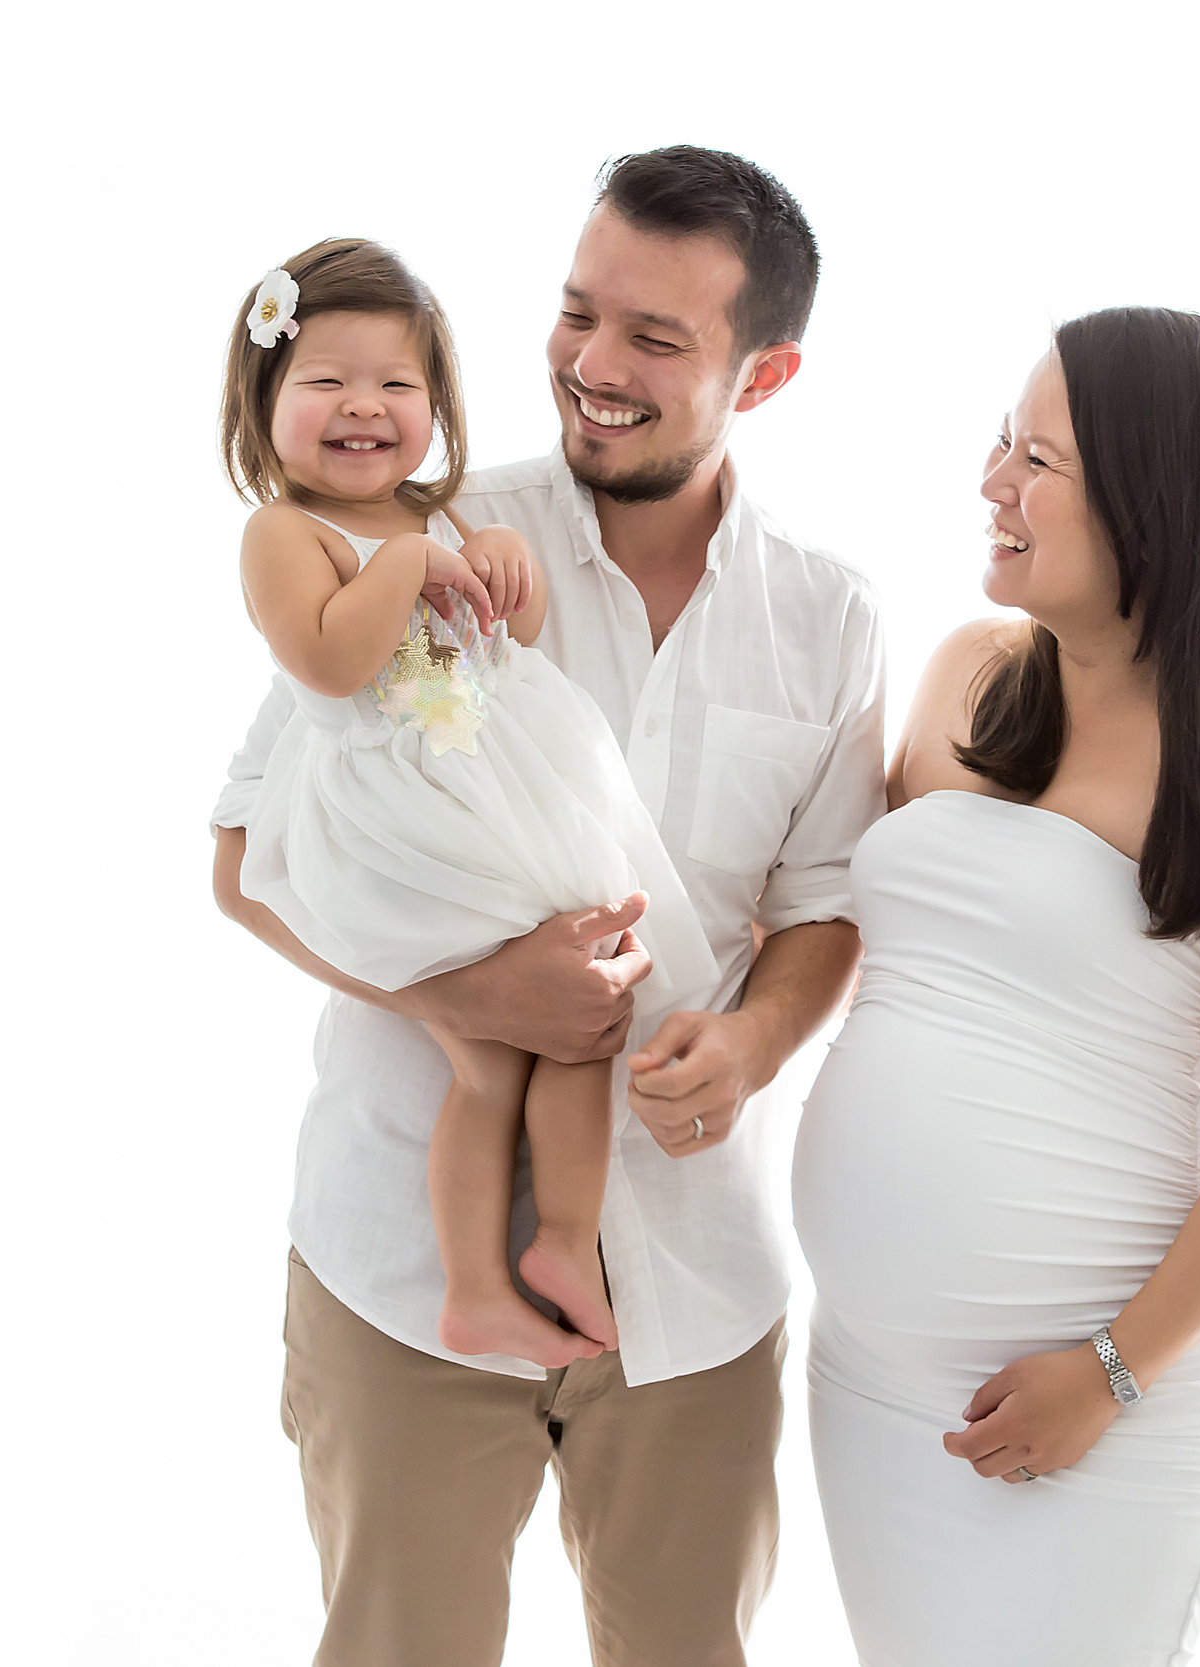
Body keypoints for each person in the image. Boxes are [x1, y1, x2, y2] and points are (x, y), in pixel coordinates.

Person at [211, 147, 885, 1667]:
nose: (592, 364)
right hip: (399, 1267)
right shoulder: (421, 536)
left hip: (695, 1292)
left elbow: (825, 900)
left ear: (762, 374)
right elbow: (244, 857)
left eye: (655, 337)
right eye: (579, 313)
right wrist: (459, 999)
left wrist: (757, 1041)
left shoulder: (829, 618)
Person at [793, 307, 1200, 1665]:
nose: (991, 484)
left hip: (1111, 1404)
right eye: (1000, 444)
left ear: (1152, 491)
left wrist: (1110, 1373)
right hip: (875, 1381)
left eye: (1036, 460)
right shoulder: (966, 679)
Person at [222, 236, 720, 1368]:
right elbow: (331, 661)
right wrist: (405, 567)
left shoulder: (430, 516)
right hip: (393, 813)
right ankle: (495, 1270)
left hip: (481, 784)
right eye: (326, 382)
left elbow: (504, 650)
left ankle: (545, 1248)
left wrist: (497, 562)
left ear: (437, 405)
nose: (364, 406)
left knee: (572, 1025)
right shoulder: (284, 532)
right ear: (263, 404)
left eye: (397, 383)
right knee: (499, 1039)